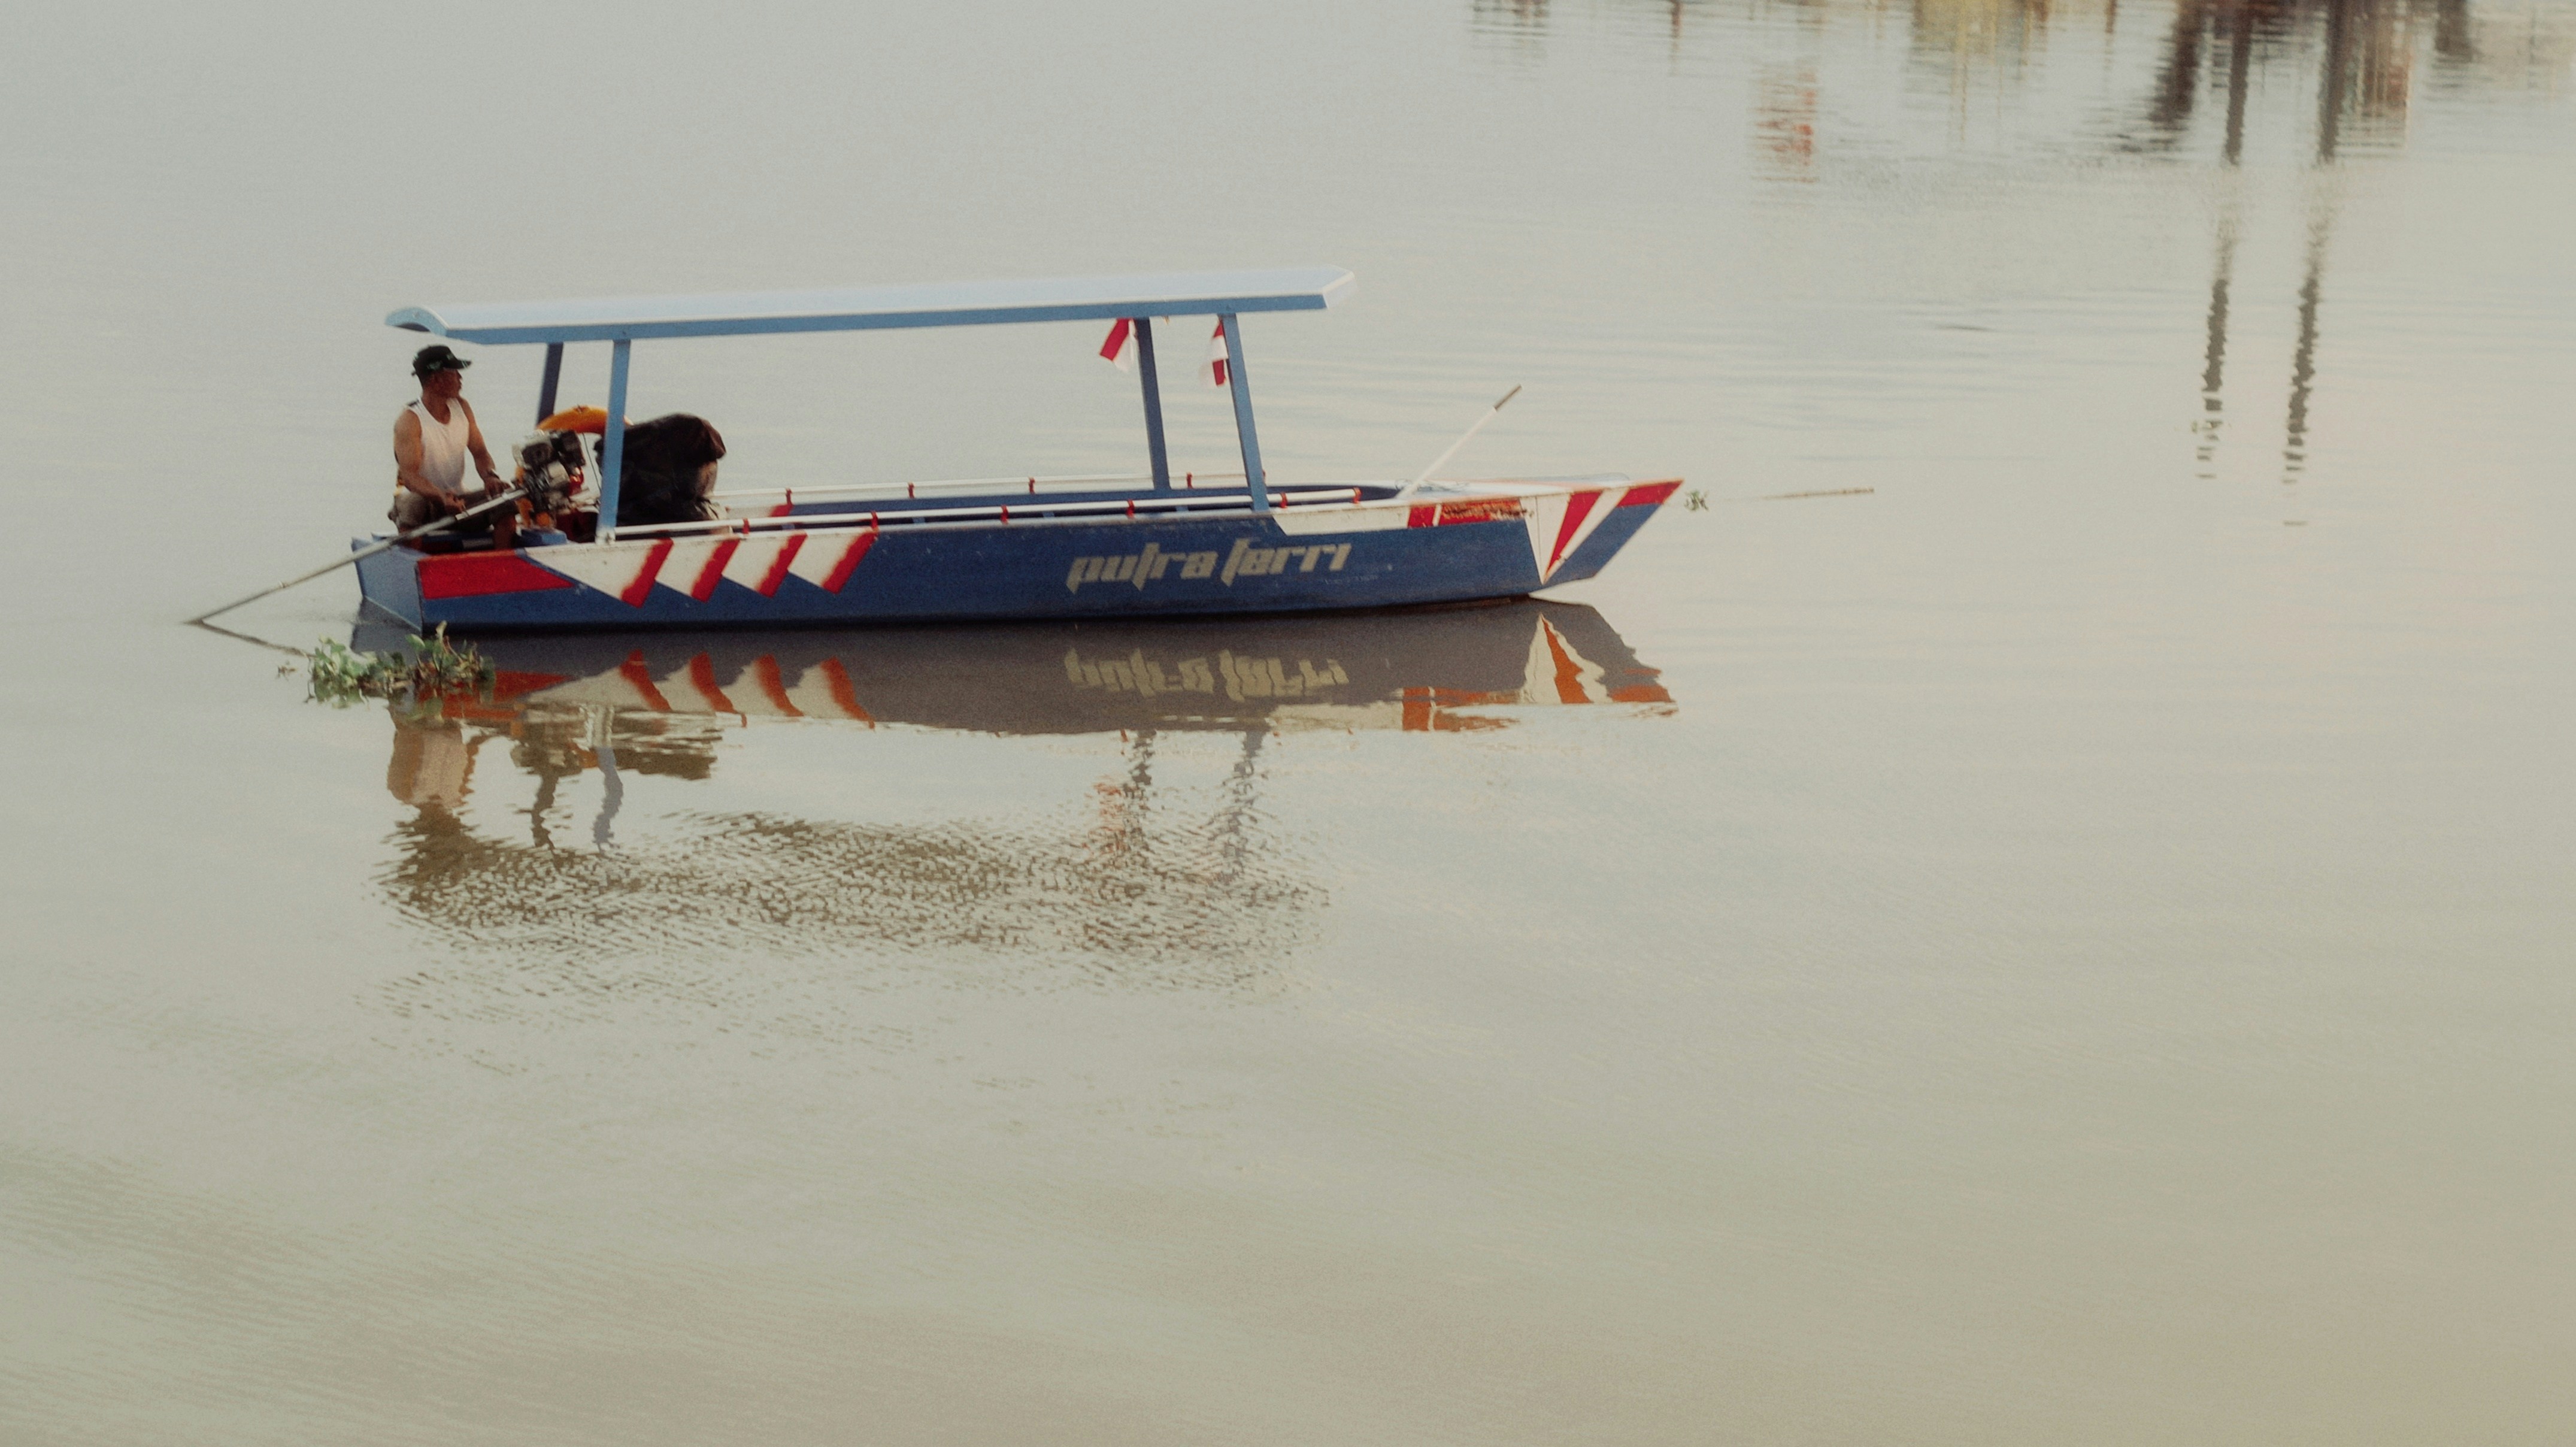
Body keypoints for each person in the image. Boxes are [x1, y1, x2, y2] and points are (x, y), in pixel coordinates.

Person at [391, 344, 504, 529]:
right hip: (425, 500)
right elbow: (410, 477)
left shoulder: (463, 408)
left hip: (458, 498)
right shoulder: (410, 420)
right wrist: (442, 498)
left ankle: (501, 556)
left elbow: (481, 453)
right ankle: (412, 554)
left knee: (504, 502)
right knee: (412, 506)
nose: (460, 378)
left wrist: (490, 476)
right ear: (436, 380)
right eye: (454, 373)